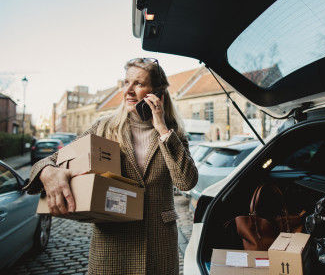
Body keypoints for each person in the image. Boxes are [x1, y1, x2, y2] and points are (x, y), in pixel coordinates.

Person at [23, 58, 198, 274]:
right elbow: (51, 160)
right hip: (113, 246)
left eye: (139, 84)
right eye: (126, 83)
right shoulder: (105, 128)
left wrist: (162, 128)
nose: (129, 91)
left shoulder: (174, 134)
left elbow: (186, 181)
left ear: (158, 93)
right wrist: (47, 172)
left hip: (158, 245)